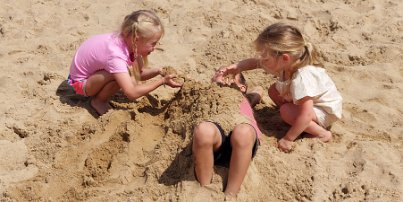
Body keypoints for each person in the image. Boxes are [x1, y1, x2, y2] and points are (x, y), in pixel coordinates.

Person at [219, 22, 342, 152]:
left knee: (285, 111)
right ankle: (296, 119)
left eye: (265, 59)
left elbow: (306, 114)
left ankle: (321, 133)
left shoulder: (302, 77)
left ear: (284, 58)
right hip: (310, 105)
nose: (262, 61)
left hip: (325, 111)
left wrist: (288, 138)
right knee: (273, 90)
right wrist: (237, 67)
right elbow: (255, 63)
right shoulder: (288, 64)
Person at [67, 10, 182, 115]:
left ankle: (100, 96)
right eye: (153, 43)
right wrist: (162, 82)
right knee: (120, 74)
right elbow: (131, 93)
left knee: (126, 72)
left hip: (92, 76)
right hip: (79, 84)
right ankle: (98, 102)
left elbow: (138, 75)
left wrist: (159, 71)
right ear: (137, 39)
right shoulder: (116, 56)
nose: (155, 48)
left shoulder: (127, 43)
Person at [192, 69, 263, 198]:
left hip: (243, 142)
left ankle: (230, 194)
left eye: (230, 74)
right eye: (220, 72)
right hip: (214, 138)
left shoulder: (244, 98)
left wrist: (240, 88)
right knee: (203, 131)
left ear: (242, 87)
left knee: (243, 133)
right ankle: (205, 189)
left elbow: (259, 89)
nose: (225, 74)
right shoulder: (207, 93)